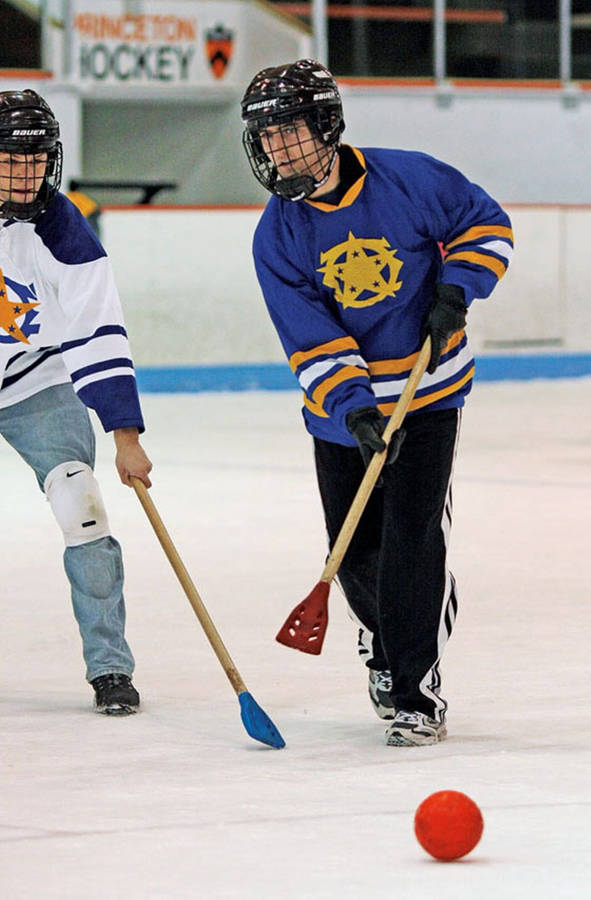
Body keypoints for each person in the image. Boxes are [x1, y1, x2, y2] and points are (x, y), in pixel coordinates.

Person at [241, 60, 513, 746]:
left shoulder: (410, 178)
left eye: (287, 133)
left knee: (410, 541)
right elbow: (308, 337)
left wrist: (457, 288)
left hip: (428, 398)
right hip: (343, 417)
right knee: (355, 552)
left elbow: (486, 224)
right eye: (265, 139)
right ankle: (385, 634)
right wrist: (353, 408)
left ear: (326, 125)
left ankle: (414, 684)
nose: (276, 150)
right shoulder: (277, 234)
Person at [0, 89, 152, 715]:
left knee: (82, 504)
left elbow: (97, 329)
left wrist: (125, 435)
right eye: (12, 159)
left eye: (37, 160)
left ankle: (110, 668)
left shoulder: (63, 229)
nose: (27, 173)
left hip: (38, 380)